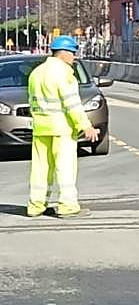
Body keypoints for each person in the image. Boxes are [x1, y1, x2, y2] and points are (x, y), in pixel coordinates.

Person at [27, 36, 101, 218]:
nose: (74, 58)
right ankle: (67, 206)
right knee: (65, 167)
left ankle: (36, 205)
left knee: (40, 168)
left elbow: (32, 103)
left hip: (40, 128)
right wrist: (86, 126)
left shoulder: (37, 72)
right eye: (73, 54)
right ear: (65, 53)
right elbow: (72, 103)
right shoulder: (64, 73)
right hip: (62, 129)